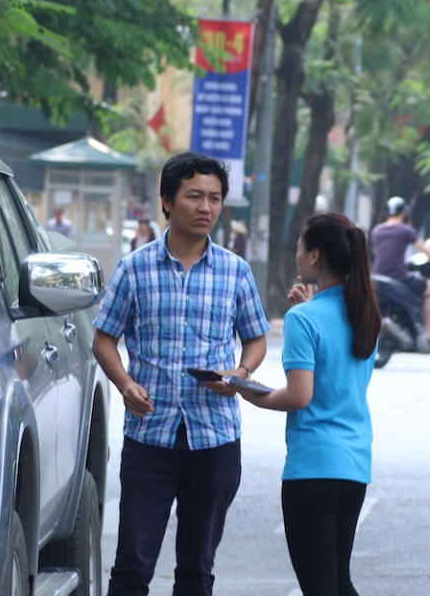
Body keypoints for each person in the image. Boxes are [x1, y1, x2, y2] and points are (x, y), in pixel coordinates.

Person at [92, 152, 270, 596]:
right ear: (167, 202)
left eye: (214, 198)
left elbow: (256, 339)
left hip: (214, 440)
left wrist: (240, 372)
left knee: (197, 569)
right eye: (194, 196)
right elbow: (103, 339)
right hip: (150, 437)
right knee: (132, 565)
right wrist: (125, 383)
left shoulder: (235, 271)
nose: (205, 207)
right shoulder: (134, 269)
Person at [236, 212, 382, 596]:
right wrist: (311, 306)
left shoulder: (303, 319)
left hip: (313, 467)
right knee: (337, 580)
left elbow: (299, 396)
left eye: (301, 246)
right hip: (354, 464)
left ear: (315, 255)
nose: (297, 253)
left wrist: (244, 389)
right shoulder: (365, 314)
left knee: (319, 587)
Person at [370, 197, 430, 342]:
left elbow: (377, 253)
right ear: (404, 212)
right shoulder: (406, 230)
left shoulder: (376, 230)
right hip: (399, 276)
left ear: (387, 212)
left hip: (378, 276)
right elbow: (424, 250)